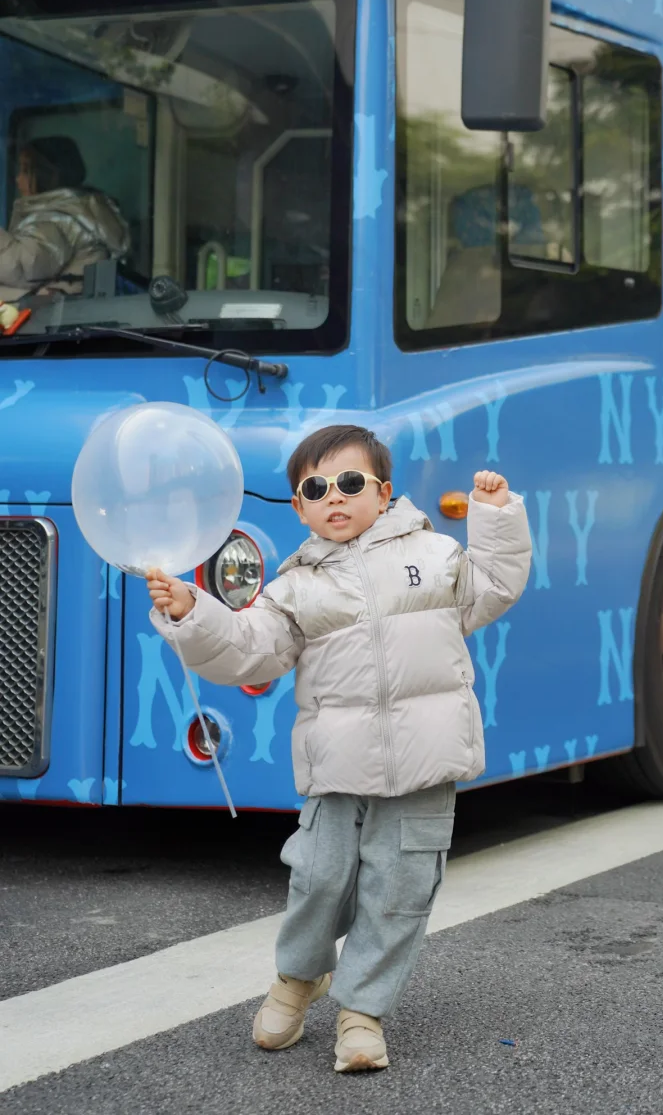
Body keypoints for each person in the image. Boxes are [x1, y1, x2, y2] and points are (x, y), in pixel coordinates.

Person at [145, 423, 531, 1073]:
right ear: (299, 507)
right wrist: (193, 610)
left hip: (425, 760)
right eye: (315, 488)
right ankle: (299, 975)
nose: (335, 497)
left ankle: (362, 1012)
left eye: (350, 482)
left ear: (383, 492)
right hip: (337, 765)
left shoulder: (433, 554)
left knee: (397, 890)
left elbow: (493, 584)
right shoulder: (297, 586)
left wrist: (495, 517)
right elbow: (246, 647)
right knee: (319, 875)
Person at [0, 135, 130, 304]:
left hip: (54, 318)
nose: (18, 180)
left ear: (47, 175)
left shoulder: (57, 219)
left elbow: (23, 267)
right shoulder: (78, 211)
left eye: (26, 171)